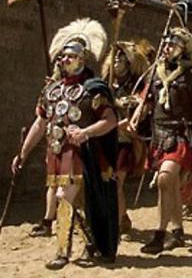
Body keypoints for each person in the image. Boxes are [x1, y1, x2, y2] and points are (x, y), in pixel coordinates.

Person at [11, 18, 119, 269]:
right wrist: (22, 154)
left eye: (69, 57)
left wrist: (86, 132)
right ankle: (91, 244)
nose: (63, 61)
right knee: (71, 200)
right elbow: (40, 124)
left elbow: (111, 120)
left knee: (64, 197)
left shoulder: (92, 90)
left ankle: (62, 251)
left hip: (84, 156)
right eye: (62, 57)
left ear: (81, 60)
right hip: (57, 153)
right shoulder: (51, 91)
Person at [136, 27, 192, 254]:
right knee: (170, 185)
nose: (167, 47)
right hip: (158, 135)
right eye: (167, 44)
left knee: (164, 179)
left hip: (180, 134)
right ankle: (178, 231)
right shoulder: (155, 73)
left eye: (173, 44)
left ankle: (159, 234)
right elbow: (146, 101)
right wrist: (137, 112)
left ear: (183, 49)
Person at [101, 41, 150, 235]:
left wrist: (120, 121)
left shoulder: (136, 85)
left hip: (125, 139)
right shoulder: (104, 84)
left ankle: (119, 221)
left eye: (121, 57)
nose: (116, 60)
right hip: (105, 139)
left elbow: (138, 113)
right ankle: (121, 217)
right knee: (106, 181)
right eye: (114, 57)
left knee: (116, 181)